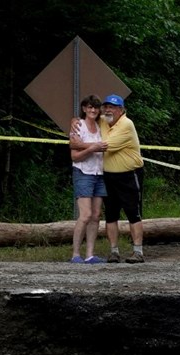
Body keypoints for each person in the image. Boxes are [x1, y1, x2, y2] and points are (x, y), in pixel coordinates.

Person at [97, 94, 146, 263]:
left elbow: (107, 146)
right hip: (109, 175)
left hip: (129, 174)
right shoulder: (103, 120)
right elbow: (86, 117)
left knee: (133, 213)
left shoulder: (126, 124)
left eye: (113, 107)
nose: (109, 110)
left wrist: (82, 146)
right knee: (110, 215)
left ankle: (138, 251)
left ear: (121, 110)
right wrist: (76, 123)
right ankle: (114, 251)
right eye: (107, 107)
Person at [68, 95, 107, 264]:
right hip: (83, 173)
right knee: (85, 215)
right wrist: (92, 148)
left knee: (96, 215)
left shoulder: (101, 126)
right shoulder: (78, 126)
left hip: (99, 174)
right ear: (84, 108)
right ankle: (75, 254)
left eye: (96, 108)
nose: (93, 110)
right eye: (90, 107)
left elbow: (117, 117)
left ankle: (90, 254)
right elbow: (75, 156)